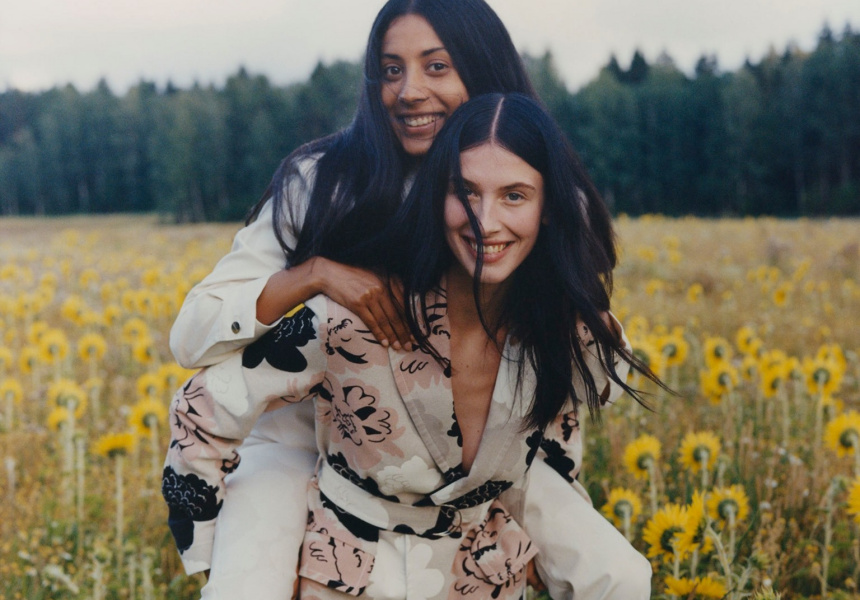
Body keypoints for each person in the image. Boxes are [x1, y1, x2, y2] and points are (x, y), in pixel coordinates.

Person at [166, 1, 653, 598]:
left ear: (483, 69)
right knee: (245, 590)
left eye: (436, 66)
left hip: (487, 451)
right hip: (309, 440)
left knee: (619, 577)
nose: (409, 91)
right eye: (391, 69)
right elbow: (192, 338)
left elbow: (570, 361)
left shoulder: (540, 190)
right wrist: (316, 276)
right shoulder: (323, 181)